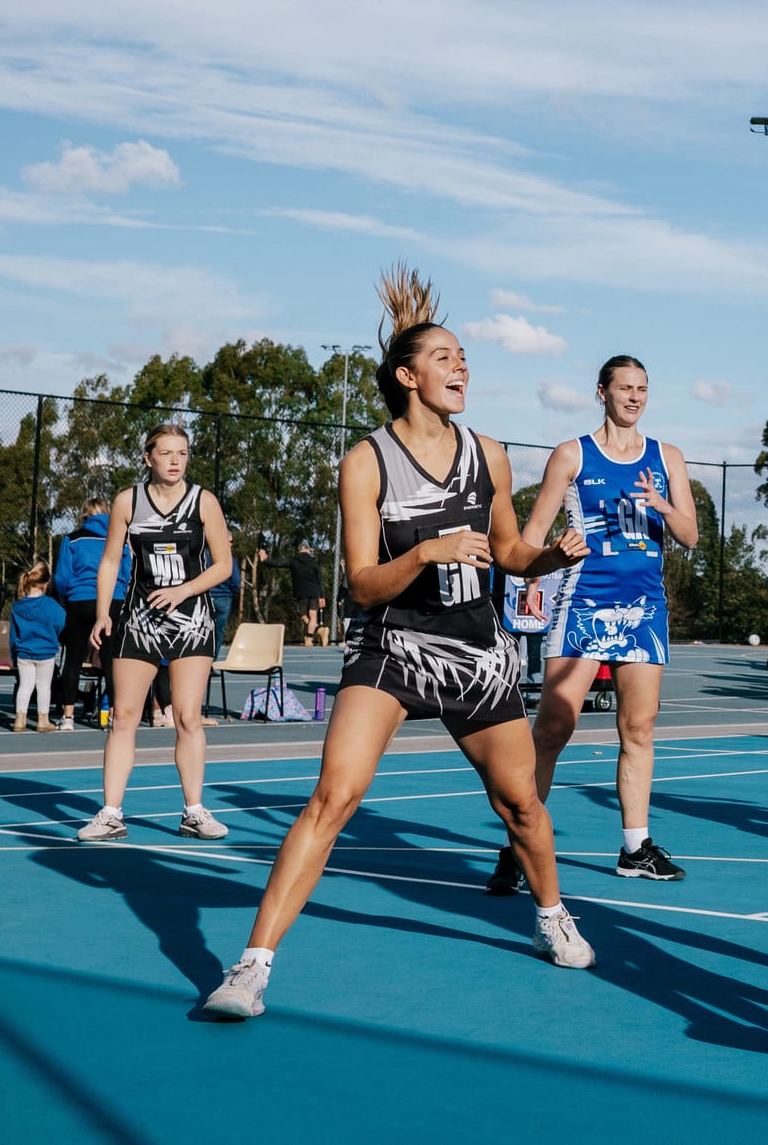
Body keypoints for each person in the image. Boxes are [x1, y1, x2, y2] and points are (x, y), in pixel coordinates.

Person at [200, 267, 592, 1021]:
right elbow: (363, 583)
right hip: (394, 647)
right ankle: (251, 967)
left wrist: (551, 556)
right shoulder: (366, 461)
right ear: (408, 375)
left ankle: (551, 914)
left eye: (464, 356)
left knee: (522, 806)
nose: (462, 366)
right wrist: (425, 553)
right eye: (446, 356)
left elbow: (508, 551)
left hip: (476, 652)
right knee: (333, 796)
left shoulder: (490, 453)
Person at [497, 354, 699, 893]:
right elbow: (533, 534)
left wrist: (660, 501)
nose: (634, 397)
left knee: (638, 728)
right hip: (583, 601)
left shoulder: (667, 458)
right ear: (601, 392)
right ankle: (519, 842)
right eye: (624, 387)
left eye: (642, 388)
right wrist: (536, 575)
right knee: (554, 729)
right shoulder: (572, 455)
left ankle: (635, 848)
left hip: (644, 606)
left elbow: (690, 535)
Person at [74, 424, 235, 843]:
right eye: (166, 453)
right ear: (148, 458)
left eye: (182, 452)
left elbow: (223, 566)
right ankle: (110, 814)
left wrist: (183, 591)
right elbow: (110, 561)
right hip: (138, 620)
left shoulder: (205, 502)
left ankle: (194, 812)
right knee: (124, 718)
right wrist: (102, 614)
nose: (176, 460)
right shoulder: (128, 501)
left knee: (186, 717)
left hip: (192, 620)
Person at [50, 496, 130, 727]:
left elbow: (62, 577)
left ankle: (67, 716)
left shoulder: (73, 539)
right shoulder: (120, 540)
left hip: (80, 599)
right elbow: (126, 570)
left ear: (85, 515)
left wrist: (68, 598)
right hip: (113, 599)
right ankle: (114, 715)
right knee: (110, 661)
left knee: (73, 660)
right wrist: (119, 593)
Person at [8, 562, 66, 731]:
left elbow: (13, 635)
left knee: (25, 685)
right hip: (45, 651)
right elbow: (61, 622)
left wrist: (13, 654)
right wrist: (53, 635)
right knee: (43, 686)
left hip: (24, 652)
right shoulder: (51, 605)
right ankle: (43, 720)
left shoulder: (17, 607)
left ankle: (20, 719)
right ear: (46, 583)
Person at [260, 541, 326, 646]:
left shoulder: (294, 560)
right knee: (313, 615)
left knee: (303, 615)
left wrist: (265, 560)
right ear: (308, 549)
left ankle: (313, 634)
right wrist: (322, 596)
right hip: (314, 592)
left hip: (301, 593)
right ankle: (315, 633)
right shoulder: (314, 562)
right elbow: (320, 580)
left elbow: (278, 563)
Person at [208, 531, 240, 658]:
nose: (231, 545)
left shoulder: (203, 556)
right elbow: (236, 581)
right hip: (223, 598)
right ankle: (212, 662)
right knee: (218, 632)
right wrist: (232, 593)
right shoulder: (229, 559)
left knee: (203, 632)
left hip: (207, 597)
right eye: (230, 541)